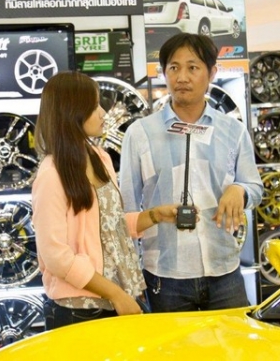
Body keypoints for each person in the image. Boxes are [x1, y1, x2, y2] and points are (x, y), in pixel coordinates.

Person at [119, 33, 263, 312]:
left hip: (224, 269)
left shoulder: (232, 130)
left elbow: (255, 187)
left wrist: (240, 190)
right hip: (164, 275)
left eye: (193, 67)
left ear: (212, 73)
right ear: (164, 73)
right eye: (174, 68)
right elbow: (126, 209)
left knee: (231, 341)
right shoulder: (140, 133)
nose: (182, 77)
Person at [32, 70, 182, 330]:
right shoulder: (51, 175)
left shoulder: (100, 158)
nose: (103, 113)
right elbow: (55, 255)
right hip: (79, 310)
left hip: (118, 298)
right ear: (71, 112)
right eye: (94, 107)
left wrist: (155, 215)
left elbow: (111, 226)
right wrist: (114, 293)